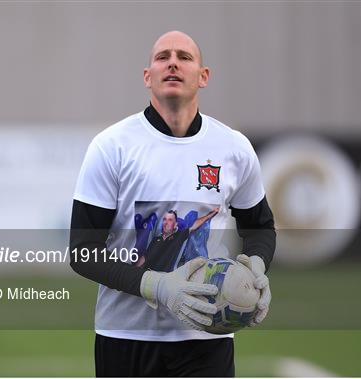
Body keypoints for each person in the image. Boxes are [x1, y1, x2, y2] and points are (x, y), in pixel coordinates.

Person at [70, 30, 276, 377]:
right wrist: (157, 286)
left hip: (207, 338)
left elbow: (259, 226)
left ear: (203, 76)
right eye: (163, 57)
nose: (173, 63)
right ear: (148, 76)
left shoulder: (234, 149)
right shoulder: (112, 147)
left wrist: (257, 265)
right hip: (125, 339)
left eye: (184, 57)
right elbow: (82, 251)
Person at [142, 208, 219, 271]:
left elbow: (194, 226)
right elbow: (144, 259)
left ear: (175, 225)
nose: (166, 222)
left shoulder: (179, 236)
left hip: (163, 276)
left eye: (170, 220)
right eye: (165, 220)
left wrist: (208, 216)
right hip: (147, 274)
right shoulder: (155, 239)